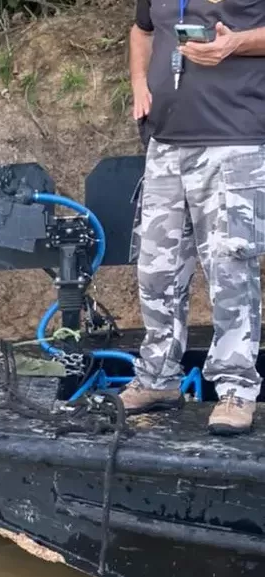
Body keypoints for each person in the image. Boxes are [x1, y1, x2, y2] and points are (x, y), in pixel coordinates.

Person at [125, 0, 265, 435]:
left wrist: (236, 44)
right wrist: (138, 83)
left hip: (234, 141)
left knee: (230, 269)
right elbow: (142, 30)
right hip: (165, 144)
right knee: (156, 270)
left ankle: (237, 389)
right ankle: (158, 378)